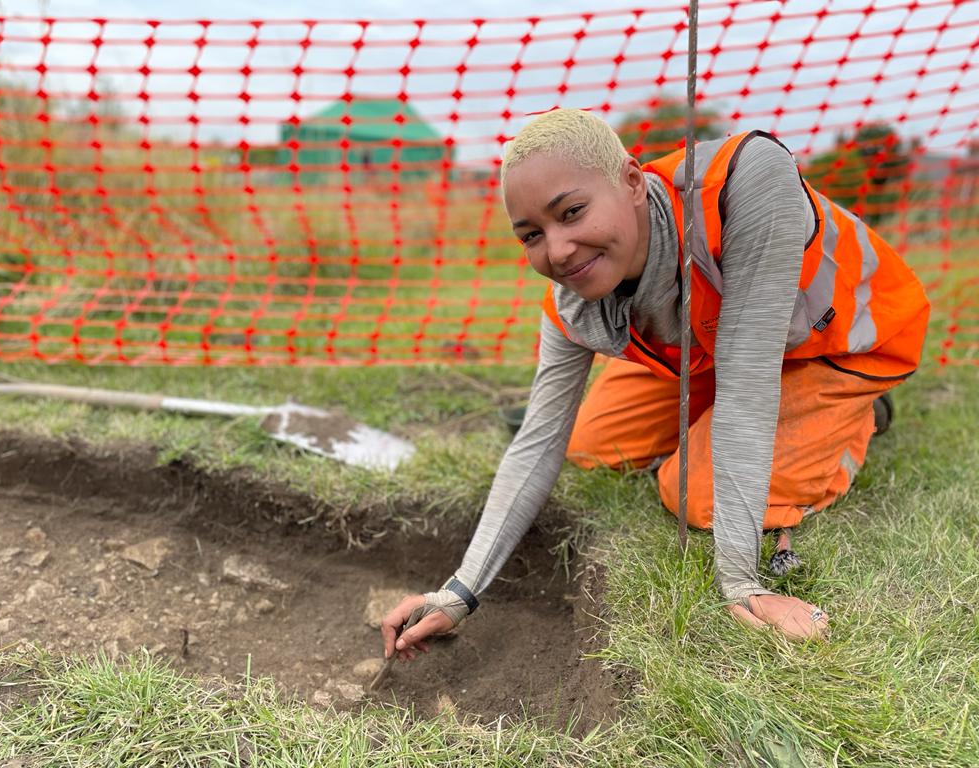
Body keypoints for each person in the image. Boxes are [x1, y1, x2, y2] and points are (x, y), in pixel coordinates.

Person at [380, 109, 930, 661]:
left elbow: (746, 390)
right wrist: (458, 591)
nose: (559, 251)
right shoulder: (571, 298)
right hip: (717, 353)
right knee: (591, 444)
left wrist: (741, 582)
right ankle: (734, 432)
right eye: (532, 236)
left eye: (571, 212)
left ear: (634, 182)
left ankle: (863, 415)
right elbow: (539, 441)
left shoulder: (750, 182)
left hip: (836, 347)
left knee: (692, 492)